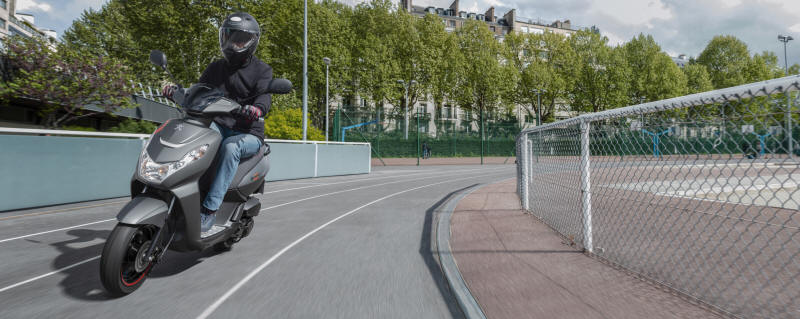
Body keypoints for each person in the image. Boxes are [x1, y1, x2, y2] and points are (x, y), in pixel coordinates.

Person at [163, 12, 272, 233]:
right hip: (219, 125)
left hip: (248, 132)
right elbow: (198, 91)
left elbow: (264, 97)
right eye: (230, 37)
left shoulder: (262, 70)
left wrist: (256, 109)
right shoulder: (215, 68)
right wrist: (176, 92)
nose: (233, 43)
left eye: (240, 38)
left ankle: (210, 211)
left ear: (252, 42)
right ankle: (177, 192)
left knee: (231, 147)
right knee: (190, 134)